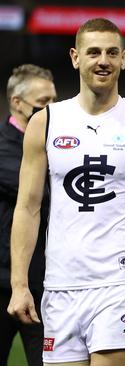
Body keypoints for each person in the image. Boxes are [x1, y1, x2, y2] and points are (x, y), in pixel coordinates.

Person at [7, 18, 125, 365]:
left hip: (120, 283)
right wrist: (19, 284)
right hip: (60, 285)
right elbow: (27, 208)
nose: (103, 59)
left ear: (123, 59)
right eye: (93, 52)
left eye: (111, 52)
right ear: (75, 57)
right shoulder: (45, 122)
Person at [0, 64, 56, 366]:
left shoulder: (54, 146)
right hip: (2, 282)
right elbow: (45, 194)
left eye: (54, 101)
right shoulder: (3, 147)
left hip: (43, 281)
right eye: (43, 102)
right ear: (17, 102)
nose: (50, 110)